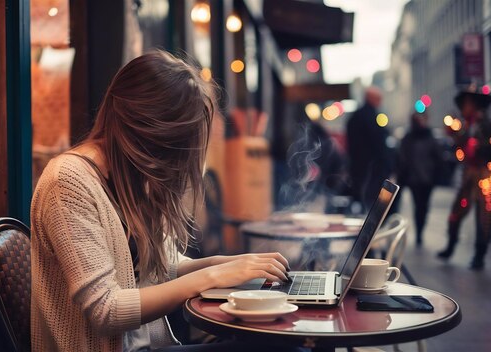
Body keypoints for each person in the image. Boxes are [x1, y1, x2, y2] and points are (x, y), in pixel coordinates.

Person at [31, 51, 300, 351]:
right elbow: (106, 310)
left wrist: (227, 264)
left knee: (281, 342)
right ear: (146, 129)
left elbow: (164, 267)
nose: (173, 162)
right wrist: (213, 276)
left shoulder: (127, 175)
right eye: (173, 144)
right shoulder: (68, 181)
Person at [437, 88, 491, 270]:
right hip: (470, 173)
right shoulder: (466, 126)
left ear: (474, 105)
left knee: (484, 217)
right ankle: (451, 246)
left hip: (486, 175)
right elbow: (460, 151)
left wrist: (484, 145)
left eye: (466, 104)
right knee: (456, 211)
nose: (463, 108)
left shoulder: (489, 125)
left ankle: (479, 255)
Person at [346, 86, 394, 211]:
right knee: (371, 203)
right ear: (370, 98)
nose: (380, 101)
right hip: (371, 168)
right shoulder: (372, 117)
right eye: (378, 98)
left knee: (360, 199)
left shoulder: (355, 116)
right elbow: (378, 143)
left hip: (358, 166)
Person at [397, 112, 441, 247]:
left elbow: (437, 157)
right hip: (414, 179)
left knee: (424, 207)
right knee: (418, 206)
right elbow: (402, 158)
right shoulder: (408, 138)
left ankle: (420, 231)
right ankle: (419, 234)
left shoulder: (430, 137)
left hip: (427, 180)